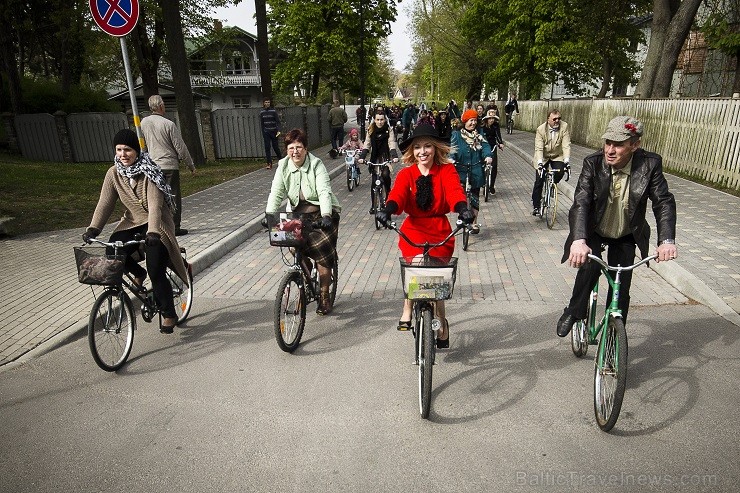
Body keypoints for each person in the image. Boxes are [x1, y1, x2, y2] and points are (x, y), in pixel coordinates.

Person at [556, 116, 678, 337]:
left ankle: (614, 336)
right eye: (608, 142)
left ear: (635, 144)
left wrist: (666, 241)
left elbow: (663, 201)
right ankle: (574, 311)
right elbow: (581, 202)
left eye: (619, 144)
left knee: (621, 287)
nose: (610, 150)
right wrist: (579, 240)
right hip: (593, 229)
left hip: (626, 233)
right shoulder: (592, 163)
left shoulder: (650, 164)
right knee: (589, 268)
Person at [374, 124, 474, 348]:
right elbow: (397, 195)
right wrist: (387, 210)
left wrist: (463, 208)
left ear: (436, 148)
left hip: (440, 230)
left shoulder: (446, 170)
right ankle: (407, 307)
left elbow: (455, 191)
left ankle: (441, 321)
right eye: (417, 147)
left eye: (428, 146)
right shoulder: (407, 173)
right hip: (414, 230)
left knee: (437, 281)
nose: (423, 151)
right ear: (412, 151)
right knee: (417, 266)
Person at [82, 129, 189, 334]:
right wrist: (93, 228)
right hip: (132, 222)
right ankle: (137, 273)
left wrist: (154, 233)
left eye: (128, 150)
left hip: (158, 224)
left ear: (137, 151)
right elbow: (105, 203)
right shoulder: (113, 173)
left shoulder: (150, 171)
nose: (123, 154)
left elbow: (155, 205)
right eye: (119, 149)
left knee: (156, 268)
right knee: (113, 249)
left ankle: (169, 314)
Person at [265, 128, 342, 315]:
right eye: (291, 147)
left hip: (322, 215)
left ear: (306, 148)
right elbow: (276, 193)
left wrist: (326, 215)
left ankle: (324, 294)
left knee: (322, 253)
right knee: (292, 245)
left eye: (299, 147)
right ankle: (307, 278)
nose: (295, 151)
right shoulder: (283, 166)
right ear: (286, 150)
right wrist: (269, 215)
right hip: (299, 216)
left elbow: (324, 191)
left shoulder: (317, 165)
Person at [140, 95, 196, 236]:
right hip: (169, 165)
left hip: (153, 166)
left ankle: (157, 226)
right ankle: (175, 227)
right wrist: (191, 165)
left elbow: (144, 143)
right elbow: (180, 147)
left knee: (155, 197)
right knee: (173, 196)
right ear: (160, 106)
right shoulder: (168, 124)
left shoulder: (144, 123)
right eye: (164, 105)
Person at [449, 109, 493, 234]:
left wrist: (487, 156)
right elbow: (452, 149)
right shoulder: (457, 135)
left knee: (474, 197)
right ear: (465, 121)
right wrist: (451, 159)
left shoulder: (479, 135)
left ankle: (473, 223)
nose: (473, 123)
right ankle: (462, 214)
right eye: (470, 120)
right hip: (461, 169)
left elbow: (485, 146)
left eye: (474, 120)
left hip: (476, 169)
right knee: (461, 194)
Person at [358, 109, 400, 214]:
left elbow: (391, 142)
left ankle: (388, 194)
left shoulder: (388, 129)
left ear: (385, 120)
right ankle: (373, 205)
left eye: (382, 119)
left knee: (385, 175)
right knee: (374, 182)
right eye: (378, 119)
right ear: (374, 120)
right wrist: (362, 156)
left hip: (385, 157)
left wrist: (394, 155)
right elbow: (367, 144)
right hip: (375, 158)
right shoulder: (370, 130)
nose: (380, 122)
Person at [532, 109, 571, 215]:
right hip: (543, 156)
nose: (557, 121)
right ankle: (536, 206)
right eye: (554, 119)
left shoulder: (564, 126)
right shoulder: (541, 129)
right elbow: (539, 148)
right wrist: (540, 163)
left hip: (557, 155)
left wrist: (567, 161)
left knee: (560, 171)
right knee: (539, 180)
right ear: (548, 119)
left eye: (559, 118)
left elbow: (566, 145)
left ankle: (553, 184)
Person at [480, 109, 504, 195]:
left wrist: (500, 143)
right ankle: (483, 183)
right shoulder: (482, 126)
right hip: (483, 146)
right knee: (481, 164)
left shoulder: (495, 125)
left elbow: (498, 135)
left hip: (493, 146)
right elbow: (480, 136)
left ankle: (492, 186)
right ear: (487, 118)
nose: (491, 120)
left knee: (494, 166)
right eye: (490, 118)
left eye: (493, 118)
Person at [259, 98, 282, 170]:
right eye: (266, 102)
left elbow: (278, 122)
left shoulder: (273, 111)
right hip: (266, 132)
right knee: (267, 147)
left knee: (275, 147)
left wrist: (278, 130)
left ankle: (281, 160)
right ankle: (269, 163)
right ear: (264, 103)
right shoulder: (262, 112)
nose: (267, 103)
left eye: (268, 102)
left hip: (274, 132)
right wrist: (263, 132)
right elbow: (262, 124)